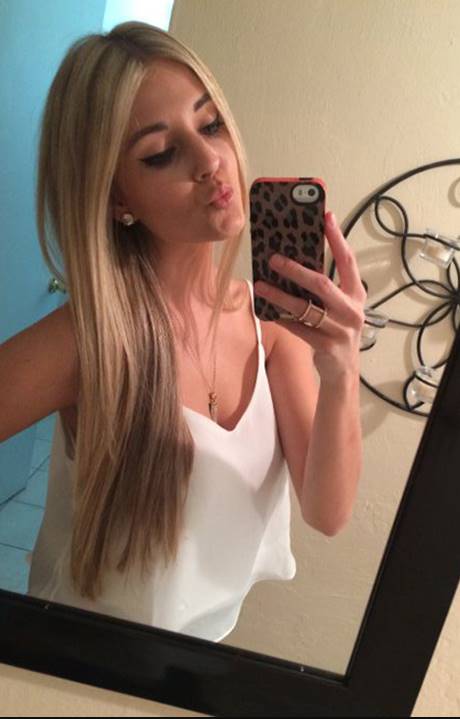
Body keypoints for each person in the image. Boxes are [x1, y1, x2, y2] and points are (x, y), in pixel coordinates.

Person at [0, 21, 365, 642]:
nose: (210, 161)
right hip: (77, 667)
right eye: (160, 153)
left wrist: (341, 369)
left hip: (198, 663)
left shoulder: (271, 330)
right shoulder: (91, 342)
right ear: (116, 197)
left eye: (211, 124)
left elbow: (328, 513)